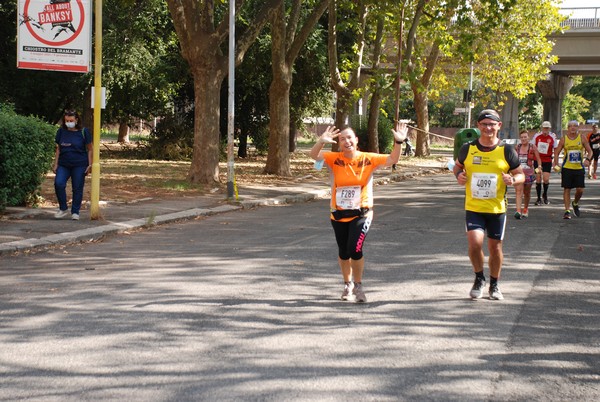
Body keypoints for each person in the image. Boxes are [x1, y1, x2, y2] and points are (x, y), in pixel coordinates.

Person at [310, 122, 408, 302]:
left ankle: (359, 285)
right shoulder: (334, 158)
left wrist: (398, 142)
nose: (346, 141)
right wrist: (321, 141)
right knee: (343, 251)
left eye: (349, 138)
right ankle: (347, 285)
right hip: (338, 213)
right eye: (342, 139)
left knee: (355, 248)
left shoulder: (367, 158)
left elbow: (392, 159)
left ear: (356, 140)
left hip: (362, 212)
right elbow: (314, 155)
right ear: (339, 143)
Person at [452, 109, 524, 300]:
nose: (488, 128)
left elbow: (521, 174)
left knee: (495, 248)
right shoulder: (468, 148)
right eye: (484, 124)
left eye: (492, 124)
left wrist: (513, 180)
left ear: (498, 126)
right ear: (478, 126)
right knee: (475, 244)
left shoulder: (506, 150)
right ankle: (479, 278)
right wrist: (459, 175)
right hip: (474, 207)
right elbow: (457, 166)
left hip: (497, 208)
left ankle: (494, 284)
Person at [52, 110, 93, 220]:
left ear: (76, 120)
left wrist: (90, 164)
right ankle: (63, 208)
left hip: (79, 164)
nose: (68, 123)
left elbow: (90, 149)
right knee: (58, 184)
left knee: (77, 188)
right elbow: (58, 149)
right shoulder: (61, 131)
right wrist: (55, 164)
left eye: (71, 120)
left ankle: (75, 211)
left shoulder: (84, 132)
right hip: (63, 164)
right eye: (66, 121)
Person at [553, 120, 593, 220]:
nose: (573, 128)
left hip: (579, 168)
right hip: (567, 168)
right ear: (568, 128)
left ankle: (575, 202)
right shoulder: (564, 139)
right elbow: (557, 152)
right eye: (571, 126)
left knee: (580, 190)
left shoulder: (582, 138)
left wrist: (588, 159)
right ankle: (567, 210)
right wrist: (556, 164)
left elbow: (590, 151)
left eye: (575, 126)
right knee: (567, 189)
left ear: (578, 128)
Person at [513, 130, 542, 219]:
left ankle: (525, 208)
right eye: (522, 137)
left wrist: (539, 167)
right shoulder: (517, 147)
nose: (523, 139)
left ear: (528, 138)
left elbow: (538, 159)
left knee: (527, 192)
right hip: (519, 173)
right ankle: (518, 210)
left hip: (529, 173)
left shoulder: (533, 147)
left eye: (525, 137)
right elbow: (512, 159)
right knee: (518, 191)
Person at [531, 121, 558, 205]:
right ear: (542, 128)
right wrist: (531, 160)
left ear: (549, 128)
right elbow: (532, 148)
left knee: (546, 179)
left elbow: (556, 149)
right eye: (544, 128)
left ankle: (545, 195)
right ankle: (538, 198)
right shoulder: (537, 136)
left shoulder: (552, 137)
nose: (545, 129)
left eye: (547, 128)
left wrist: (555, 162)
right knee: (538, 178)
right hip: (537, 160)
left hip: (547, 161)